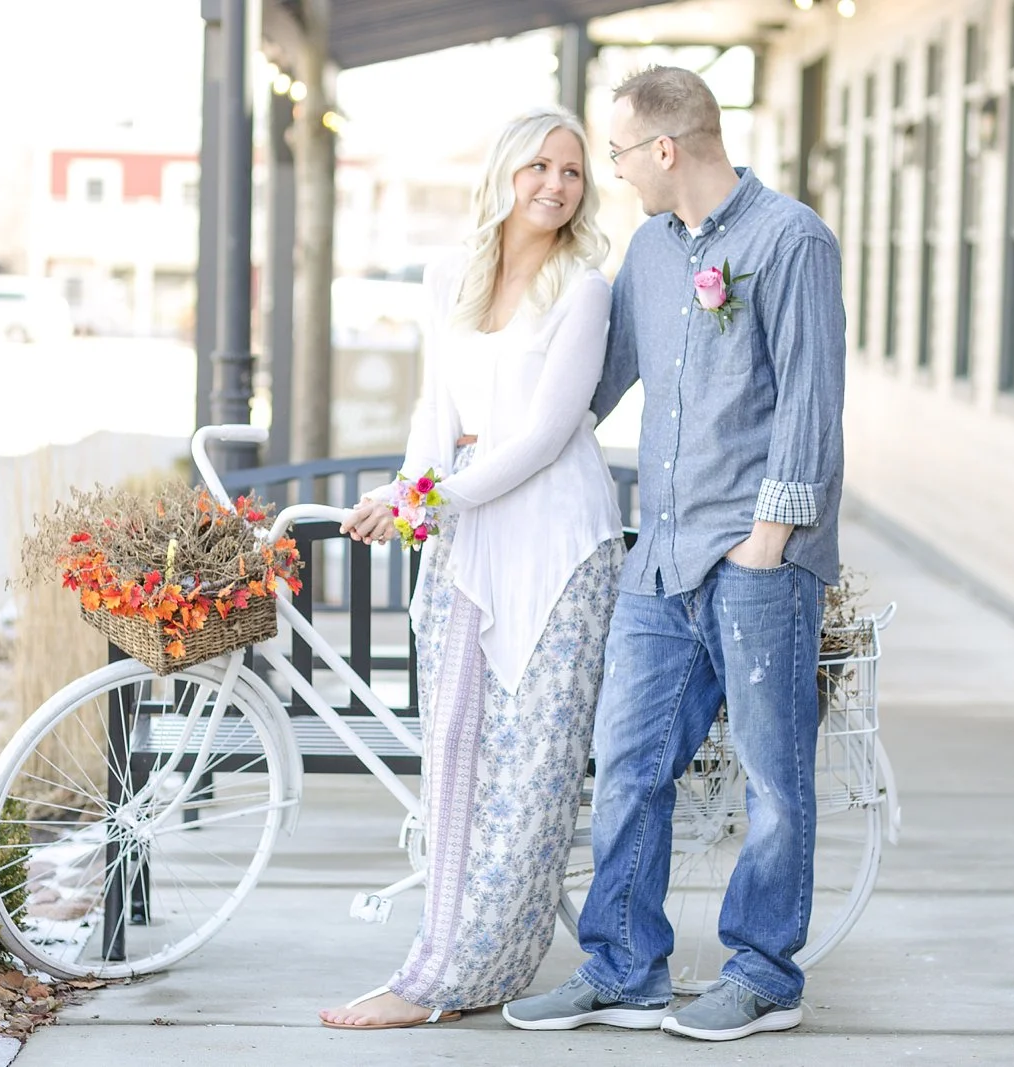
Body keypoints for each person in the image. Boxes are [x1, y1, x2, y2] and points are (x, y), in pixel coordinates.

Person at [503, 65, 847, 1042]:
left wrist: (767, 543)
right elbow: (590, 389)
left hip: (756, 562)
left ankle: (764, 974)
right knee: (628, 764)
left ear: (664, 148)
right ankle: (623, 968)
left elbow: (812, 402)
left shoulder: (791, 240)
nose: (612, 171)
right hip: (657, 559)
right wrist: (492, 440)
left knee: (772, 778)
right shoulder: (649, 254)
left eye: (616, 153)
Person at [318, 104, 625, 1030]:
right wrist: (404, 490)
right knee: (454, 754)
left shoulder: (583, 288)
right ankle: (443, 959)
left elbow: (544, 435)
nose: (555, 185)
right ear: (503, 174)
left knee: (529, 774)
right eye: (539, 166)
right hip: (468, 541)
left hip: (559, 545)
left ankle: (458, 978)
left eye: (572, 171)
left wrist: (429, 502)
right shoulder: (449, 274)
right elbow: (436, 415)